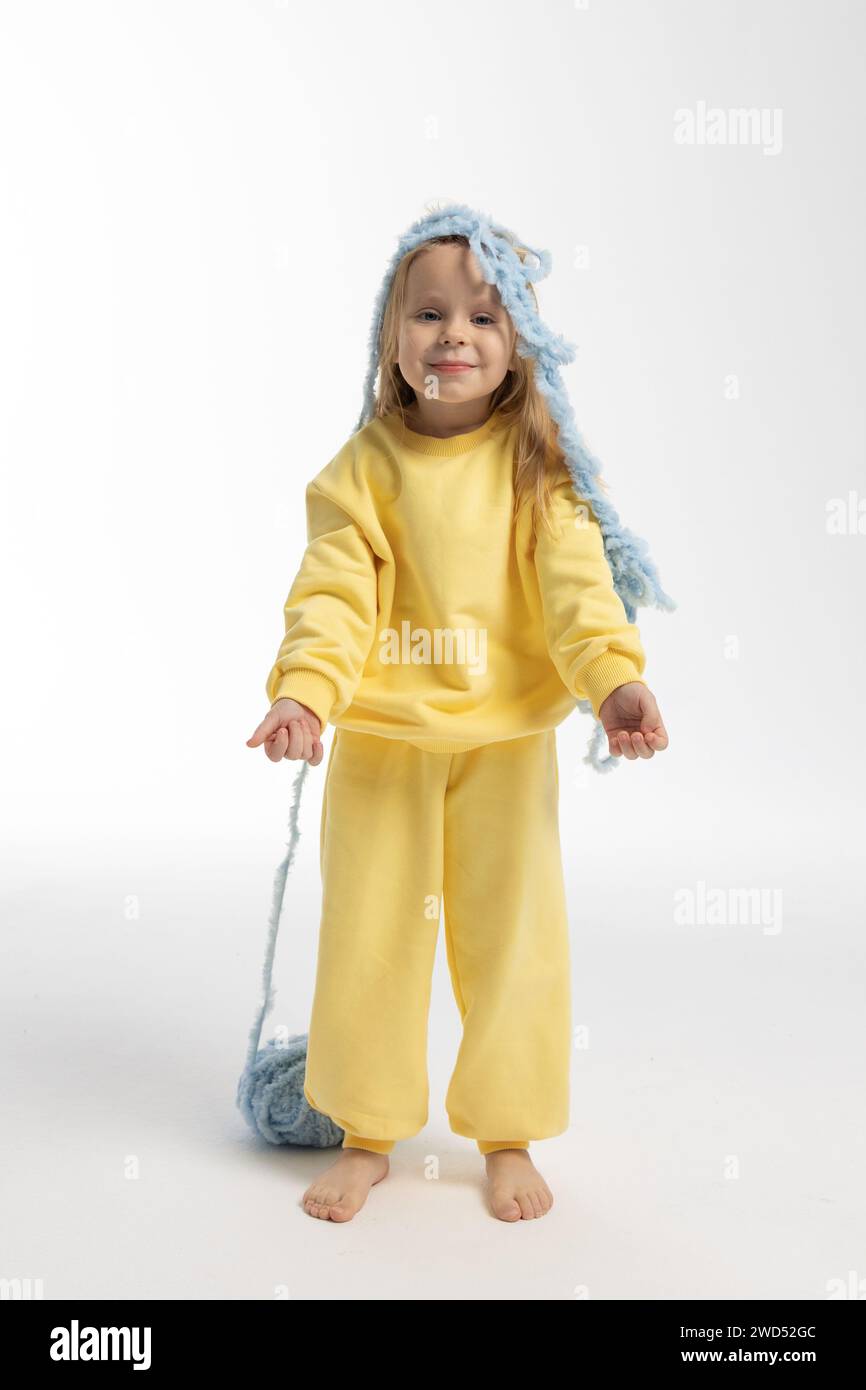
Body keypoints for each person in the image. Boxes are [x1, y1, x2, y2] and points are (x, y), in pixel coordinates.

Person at [246, 213, 669, 1223]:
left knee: (512, 937)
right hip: (384, 745)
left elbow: (576, 592)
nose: (454, 334)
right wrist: (304, 692)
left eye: (484, 315)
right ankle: (363, 1128)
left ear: (518, 339)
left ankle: (506, 1129)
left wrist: (613, 680)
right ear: (389, 339)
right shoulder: (365, 469)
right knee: (370, 936)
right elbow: (333, 596)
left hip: (503, 748)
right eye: (427, 312)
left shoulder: (535, 469)